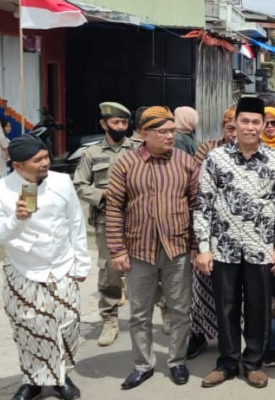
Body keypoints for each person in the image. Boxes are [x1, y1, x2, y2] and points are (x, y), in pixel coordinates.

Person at [195, 97, 275, 389]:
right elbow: (203, 205)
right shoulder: (216, 158)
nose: (250, 127)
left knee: (259, 308)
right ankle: (227, 362)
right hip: (224, 247)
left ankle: (253, 363)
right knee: (226, 307)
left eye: (256, 122)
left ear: (263, 125)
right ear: (234, 124)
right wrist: (203, 247)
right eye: (244, 121)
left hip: (261, 247)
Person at [106, 106, 200, 390]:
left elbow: (197, 207)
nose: (171, 136)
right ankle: (143, 364)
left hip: (177, 249)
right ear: (144, 133)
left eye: (173, 130)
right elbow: (114, 209)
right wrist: (117, 250)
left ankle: (176, 361)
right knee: (139, 312)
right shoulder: (125, 164)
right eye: (164, 131)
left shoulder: (185, 162)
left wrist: (197, 246)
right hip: (139, 250)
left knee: (181, 309)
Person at [0, 135, 90, 400]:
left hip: (62, 265)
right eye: (37, 160)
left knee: (67, 324)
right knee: (30, 327)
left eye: (46, 157)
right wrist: (17, 219)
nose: (45, 163)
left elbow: (75, 223)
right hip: (24, 268)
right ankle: (33, 381)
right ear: (17, 166)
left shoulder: (61, 181)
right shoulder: (3, 190)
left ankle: (61, 377)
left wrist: (81, 263)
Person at [73, 102, 137, 347]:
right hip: (105, 217)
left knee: (151, 265)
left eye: (124, 123)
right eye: (115, 123)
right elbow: (80, 185)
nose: (120, 127)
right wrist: (103, 194)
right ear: (104, 124)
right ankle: (109, 319)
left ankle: (162, 308)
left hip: (137, 217)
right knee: (109, 270)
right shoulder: (91, 153)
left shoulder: (137, 150)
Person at [187, 106, 237, 360]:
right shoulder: (207, 150)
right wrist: (198, 241)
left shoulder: (254, 152)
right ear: (223, 128)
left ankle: (233, 338)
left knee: (236, 291)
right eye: (230, 129)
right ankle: (199, 334)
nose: (234, 134)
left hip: (238, 234)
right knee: (202, 286)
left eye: (237, 128)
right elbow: (198, 192)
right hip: (210, 230)